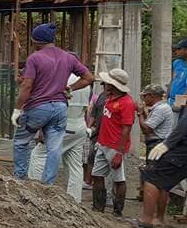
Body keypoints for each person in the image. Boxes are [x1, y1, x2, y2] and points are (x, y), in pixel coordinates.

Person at [11, 23, 94, 184]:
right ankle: (48, 184)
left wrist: (17, 109)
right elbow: (89, 78)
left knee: (21, 141)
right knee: (54, 148)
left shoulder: (35, 58)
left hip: (38, 107)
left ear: (36, 41)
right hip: (60, 108)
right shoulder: (68, 57)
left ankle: (20, 178)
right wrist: (70, 88)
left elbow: (27, 85)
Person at [28, 72, 91, 202]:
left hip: (61, 123)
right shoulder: (84, 83)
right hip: (79, 125)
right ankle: (75, 200)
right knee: (75, 165)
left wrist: (42, 128)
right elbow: (86, 108)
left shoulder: (60, 78)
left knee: (38, 155)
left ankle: (35, 194)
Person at [90, 68, 135, 216]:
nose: (104, 84)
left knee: (118, 179)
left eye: (107, 82)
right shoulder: (109, 97)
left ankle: (117, 210)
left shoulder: (126, 102)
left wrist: (119, 153)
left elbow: (126, 129)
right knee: (97, 175)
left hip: (115, 146)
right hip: (103, 143)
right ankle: (98, 208)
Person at [136, 105, 187, 228]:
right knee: (164, 181)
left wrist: (167, 144)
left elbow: (184, 124)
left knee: (152, 176)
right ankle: (158, 218)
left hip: (182, 149)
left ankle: (146, 219)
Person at [136, 84, 175, 200]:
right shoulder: (160, 108)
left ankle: (152, 201)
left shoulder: (161, 109)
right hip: (157, 142)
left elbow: (147, 128)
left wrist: (139, 114)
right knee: (151, 171)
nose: (143, 99)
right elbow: (151, 122)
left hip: (157, 143)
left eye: (145, 96)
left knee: (153, 175)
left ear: (152, 96)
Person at [168, 38, 187, 116]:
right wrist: (166, 98)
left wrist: (179, 103)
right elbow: (172, 80)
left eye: (179, 49)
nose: (176, 51)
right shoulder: (177, 62)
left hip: (183, 103)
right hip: (172, 100)